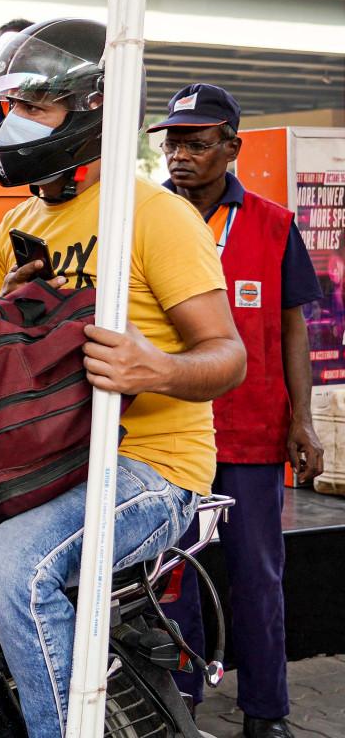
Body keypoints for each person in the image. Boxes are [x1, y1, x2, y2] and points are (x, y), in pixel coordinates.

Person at [0, 19, 247, 738]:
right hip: (55, 460)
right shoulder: (18, 224)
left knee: (13, 567)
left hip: (154, 470)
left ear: (93, 107)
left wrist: (153, 367)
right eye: (11, 107)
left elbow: (227, 356)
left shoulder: (156, 215)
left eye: (34, 107)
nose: (14, 125)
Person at [153, 83, 323, 738]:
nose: (179, 156)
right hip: (164, 433)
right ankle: (179, 704)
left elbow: (293, 327)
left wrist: (302, 419)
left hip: (250, 433)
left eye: (196, 143)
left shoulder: (273, 223)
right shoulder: (142, 217)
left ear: (232, 147)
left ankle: (266, 711)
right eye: (172, 143)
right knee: (172, 582)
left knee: (258, 578)